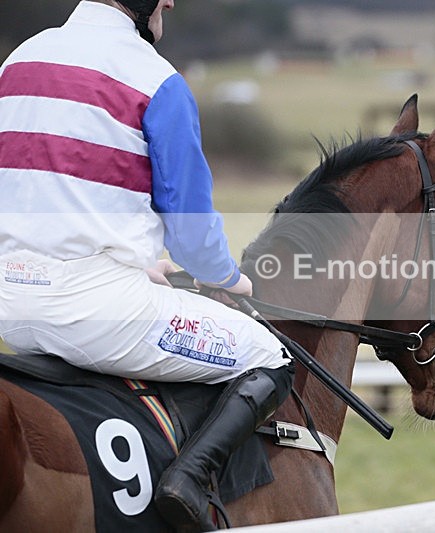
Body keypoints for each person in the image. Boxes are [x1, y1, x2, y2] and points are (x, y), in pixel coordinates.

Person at [0, 0, 294, 529]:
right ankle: (190, 480)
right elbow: (191, 232)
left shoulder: (18, 62)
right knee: (269, 354)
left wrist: (133, 264)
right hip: (96, 314)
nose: (170, 3)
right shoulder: (157, 80)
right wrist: (226, 277)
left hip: (9, 302)